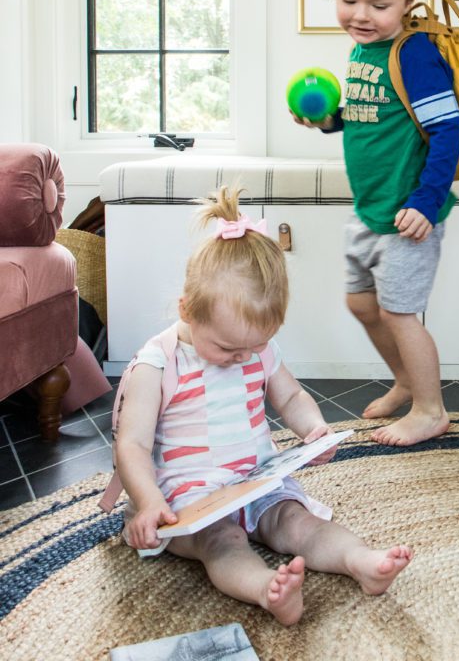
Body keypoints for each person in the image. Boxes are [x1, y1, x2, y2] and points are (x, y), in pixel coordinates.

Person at [114, 185, 412, 625]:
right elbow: (132, 445)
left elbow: (290, 396)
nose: (242, 358)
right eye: (227, 347)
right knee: (223, 541)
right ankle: (266, 591)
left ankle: (361, 561)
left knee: (298, 522)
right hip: (188, 498)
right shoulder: (157, 364)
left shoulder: (257, 351)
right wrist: (149, 501)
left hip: (254, 480)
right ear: (187, 310)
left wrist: (312, 429)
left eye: (255, 346)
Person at [293, 0, 459, 447]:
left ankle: (430, 409)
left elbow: (447, 129)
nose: (361, 15)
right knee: (362, 304)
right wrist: (328, 119)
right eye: (349, 0)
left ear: (407, 1)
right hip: (370, 207)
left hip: (407, 213)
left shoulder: (414, 53)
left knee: (398, 312)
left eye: (378, 4)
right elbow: (372, 114)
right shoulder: (363, 49)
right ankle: (407, 381)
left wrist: (426, 201)